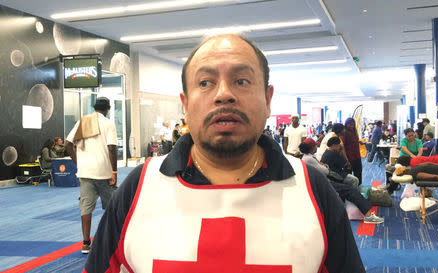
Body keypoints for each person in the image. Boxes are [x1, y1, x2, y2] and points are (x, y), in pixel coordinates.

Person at [84, 34, 365, 273]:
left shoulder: (312, 188)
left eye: (242, 81)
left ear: (268, 100)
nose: (223, 94)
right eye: (205, 83)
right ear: (185, 104)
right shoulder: (140, 186)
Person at [65, 97, 118, 254]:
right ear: (107, 109)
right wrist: (114, 172)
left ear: (94, 107)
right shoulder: (108, 123)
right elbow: (112, 148)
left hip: (85, 172)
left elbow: (67, 144)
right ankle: (111, 240)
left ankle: (86, 243)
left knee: (85, 208)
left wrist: (78, 162)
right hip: (103, 172)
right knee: (112, 207)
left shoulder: (82, 122)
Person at [300, 140, 383, 224]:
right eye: (315, 146)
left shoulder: (308, 157)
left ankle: (362, 211)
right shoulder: (309, 159)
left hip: (322, 181)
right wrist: (325, 166)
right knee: (351, 189)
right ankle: (368, 215)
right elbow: (325, 171)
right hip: (322, 184)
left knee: (349, 187)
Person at [341, 118, 363, 185]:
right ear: (346, 124)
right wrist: (346, 159)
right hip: (349, 158)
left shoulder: (354, 132)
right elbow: (342, 147)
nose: (351, 126)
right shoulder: (344, 133)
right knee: (349, 177)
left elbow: (353, 141)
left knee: (358, 174)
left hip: (357, 157)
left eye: (353, 124)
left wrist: (358, 141)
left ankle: (358, 189)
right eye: (350, 125)